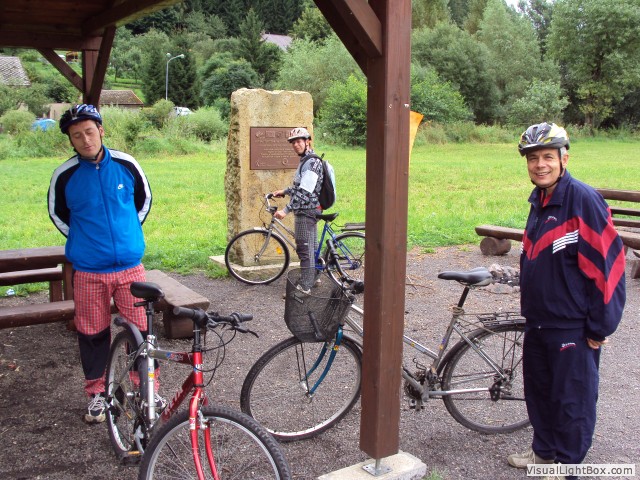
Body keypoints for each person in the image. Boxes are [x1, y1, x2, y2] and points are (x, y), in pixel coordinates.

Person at [507, 123, 626, 479]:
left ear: (564, 159)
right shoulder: (540, 200)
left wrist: (600, 326)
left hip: (571, 323)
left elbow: (609, 267)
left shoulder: (583, 200)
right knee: (540, 393)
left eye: (547, 156)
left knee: (572, 400)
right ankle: (544, 454)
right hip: (538, 319)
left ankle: (568, 466)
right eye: (533, 158)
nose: (540, 165)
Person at [48, 104, 157, 424]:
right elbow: (59, 214)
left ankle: (146, 388)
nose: (85, 140)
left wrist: (127, 235)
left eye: (89, 132)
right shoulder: (64, 175)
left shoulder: (126, 164)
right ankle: (97, 392)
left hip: (130, 269)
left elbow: (143, 201)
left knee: (141, 332)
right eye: (76, 135)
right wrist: (86, 242)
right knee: (92, 334)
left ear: (101, 131)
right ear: (70, 140)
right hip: (89, 272)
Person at [272, 127, 324, 292]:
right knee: (312, 248)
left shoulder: (312, 163)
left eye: (299, 141)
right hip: (308, 209)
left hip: (307, 211)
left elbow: (304, 192)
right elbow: (300, 186)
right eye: (293, 142)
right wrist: (285, 191)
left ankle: (305, 287)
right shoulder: (306, 160)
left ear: (307, 141)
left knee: (304, 249)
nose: (296, 145)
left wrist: (285, 210)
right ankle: (314, 278)